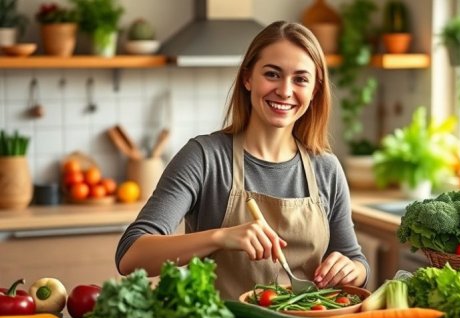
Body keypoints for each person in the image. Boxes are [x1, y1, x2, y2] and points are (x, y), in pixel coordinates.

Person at [115, 20, 369, 299]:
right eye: (272, 74)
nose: (285, 91)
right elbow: (130, 255)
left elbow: (355, 260)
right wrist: (220, 237)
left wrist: (351, 269)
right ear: (248, 78)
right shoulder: (205, 158)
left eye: (300, 79)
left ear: (315, 90)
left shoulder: (326, 168)